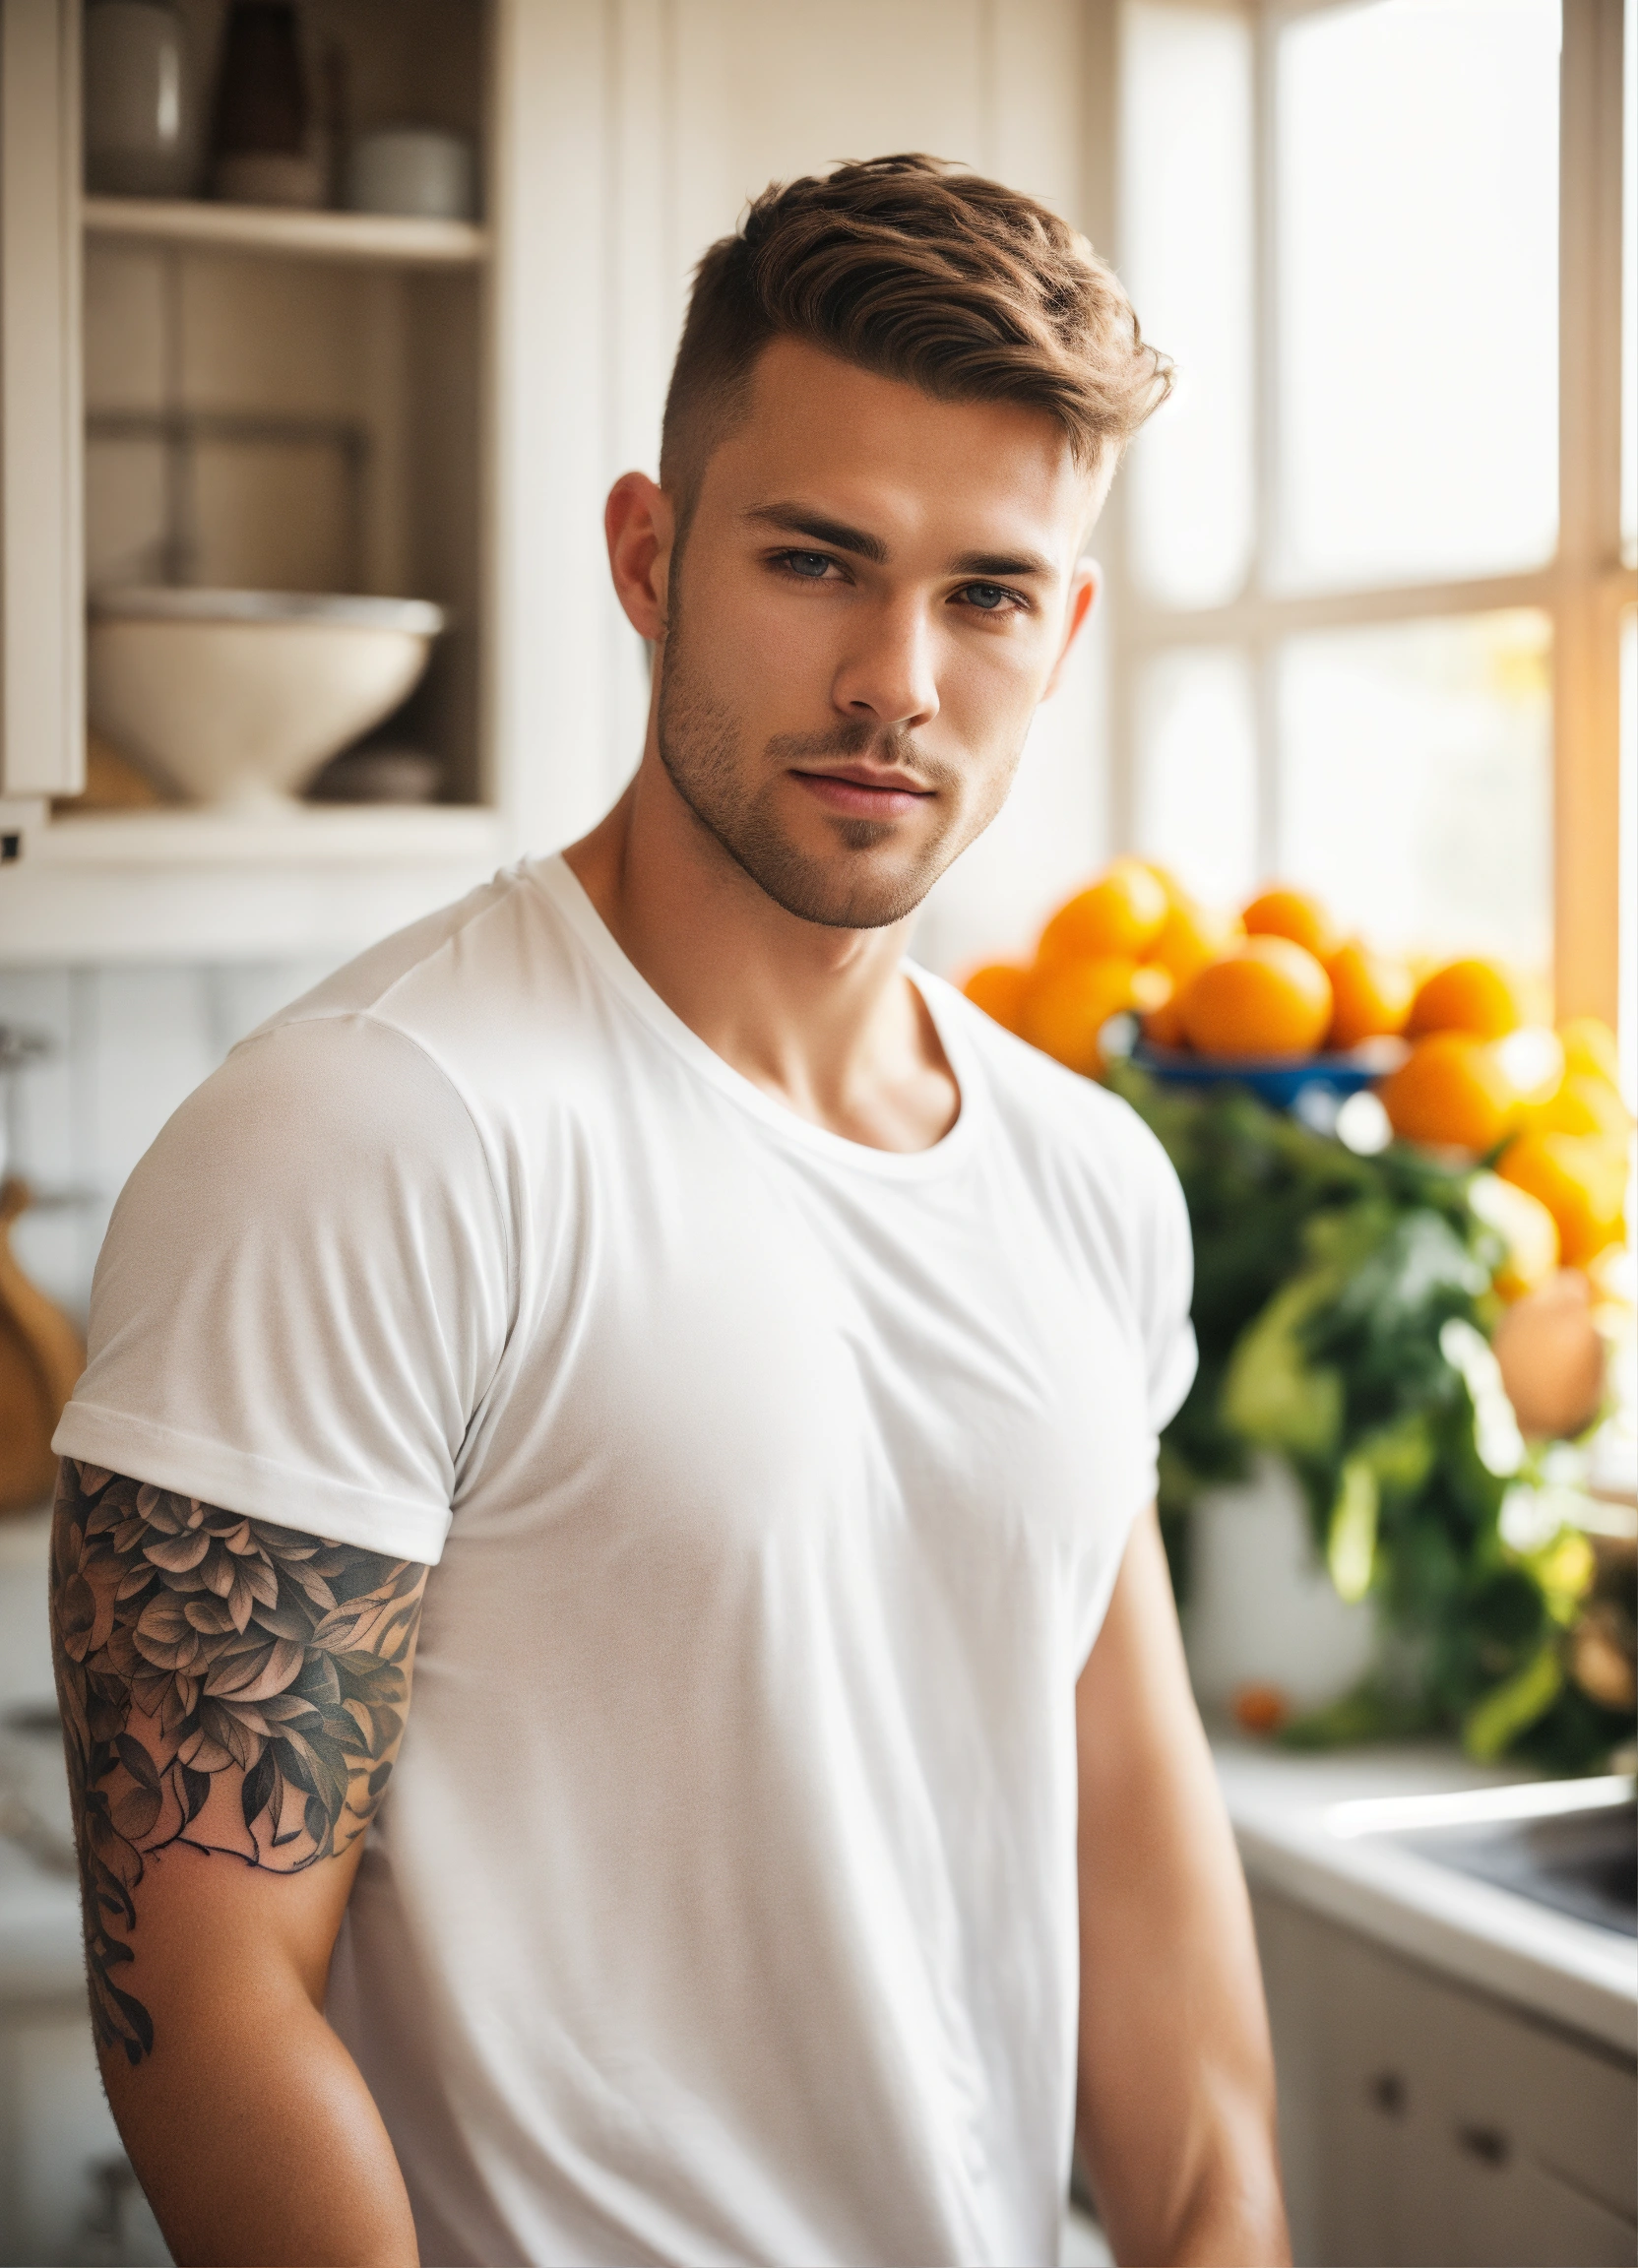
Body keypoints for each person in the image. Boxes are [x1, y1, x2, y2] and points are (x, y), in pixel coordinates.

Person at [51, 155, 1289, 2268]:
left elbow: (1134, 1883)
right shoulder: (375, 1135)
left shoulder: (1089, 1186)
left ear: (1063, 628)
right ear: (650, 554)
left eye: (986, 593)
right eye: (818, 560)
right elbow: (208, 2006)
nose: (897, 678)